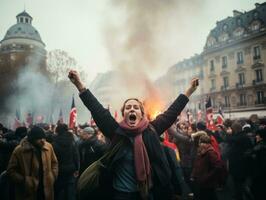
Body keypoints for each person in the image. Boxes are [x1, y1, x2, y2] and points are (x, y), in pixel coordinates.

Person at [68, 70, 198, 200]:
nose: (132, 109)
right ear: (124, 113)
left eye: (136, 107)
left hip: (147, 195)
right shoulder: (116, 132)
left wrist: (189, 91)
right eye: (128, 107)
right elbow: (96, 109)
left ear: (141, 114)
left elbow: (172, 112)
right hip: (120, 195)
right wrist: (79, 85)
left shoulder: (151, 130)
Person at [7, 126, 58, 200]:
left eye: (43, 138)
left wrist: (52, 176)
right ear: (32, 139)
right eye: (39, 138)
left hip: (46, 189)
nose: (43, 141)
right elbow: (11, 170)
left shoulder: (48, 147)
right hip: (28, 191)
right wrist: (24, 181)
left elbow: (54, 163)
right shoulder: (20, 151)